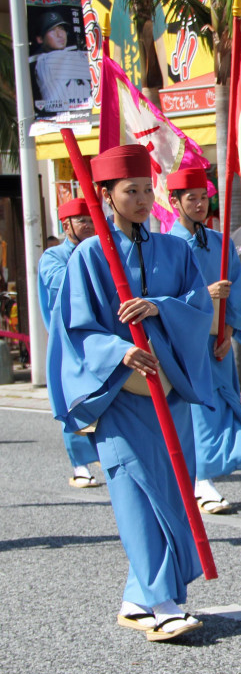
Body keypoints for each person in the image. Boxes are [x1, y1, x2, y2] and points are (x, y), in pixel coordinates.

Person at [46, 144, 214, 642]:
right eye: (130, 191)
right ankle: (162, 603)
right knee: (137, 494)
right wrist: (118, 353)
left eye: (146, 189)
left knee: (173, 492)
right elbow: (74, 327)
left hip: (170, 391)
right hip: (121, 397)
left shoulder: (175, 249)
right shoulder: (89, 256)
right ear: (106, 195)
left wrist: (160, 308)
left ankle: (139, 596)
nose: (142, 199)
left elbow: (197, 306)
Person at [167, 168, 241, 514]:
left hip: (217, 343)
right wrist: (203, 296)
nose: (199, 204)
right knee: (200, 412)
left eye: (202, 196)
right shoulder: (167, 247)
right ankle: (200, 481)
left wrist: (227, 330)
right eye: (191, 198)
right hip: (185, 345)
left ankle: (200, 478)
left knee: (223, 407)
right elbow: (164, 298)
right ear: (175, 202)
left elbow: (236, 288)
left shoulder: (220, 243)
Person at [36, 198, 101, 488]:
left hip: (98, 337)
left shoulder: (99, 250)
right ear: (67, 225)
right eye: (82, 221)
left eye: (91, 219)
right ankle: (80, 465)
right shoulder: (52, 257)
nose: (88, 225)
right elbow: (66, 288)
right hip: (67, 342)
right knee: (74, 402)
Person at [30, 11, 91, 116]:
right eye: (52, 30)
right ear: (40, 39)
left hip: (86, 117)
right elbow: (95, 66)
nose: (60, 35)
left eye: (61, 29)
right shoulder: (45, 61)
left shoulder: (71, 56)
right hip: (60, 119)